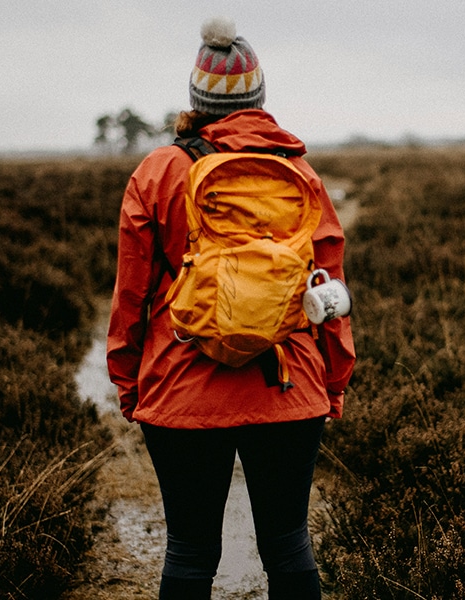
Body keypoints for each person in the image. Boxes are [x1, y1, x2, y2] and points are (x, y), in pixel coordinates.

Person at [106, 17, 355, 600]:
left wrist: (128, 382)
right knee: (289, 545)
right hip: (287, 385)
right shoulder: (299, 172)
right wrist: (334, 381)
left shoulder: (158, 172)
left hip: (181, 385)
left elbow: (132, 295)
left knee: (190, 551)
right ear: (259, 96)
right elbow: (330, 290)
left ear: (195, 98)